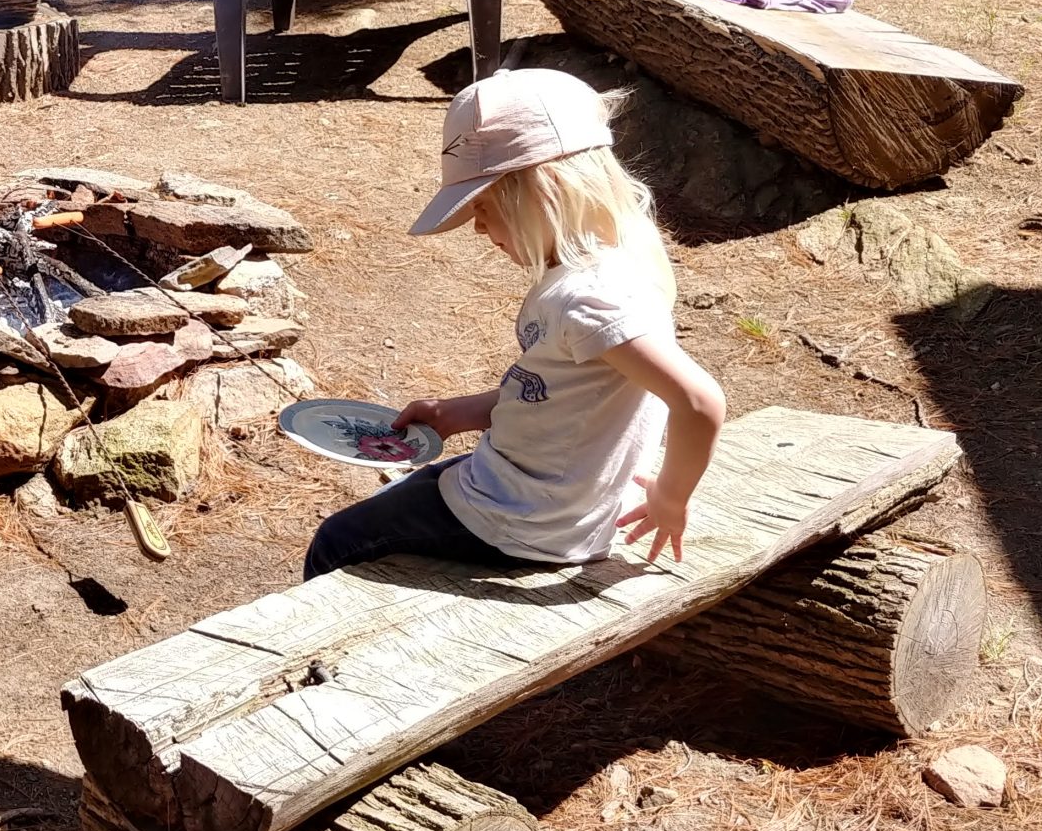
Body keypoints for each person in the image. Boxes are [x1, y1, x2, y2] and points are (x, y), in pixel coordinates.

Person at [302, 68, 725, 580]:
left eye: (484, 206)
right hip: (536, 498)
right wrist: (460, 411)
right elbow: (560, 393)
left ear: (545, 189)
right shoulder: (618, 261)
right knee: (409, 490)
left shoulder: (591, 298)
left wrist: (670, 499)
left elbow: (699, 402)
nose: (478, 227)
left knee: (337, 542)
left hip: (524, 521)